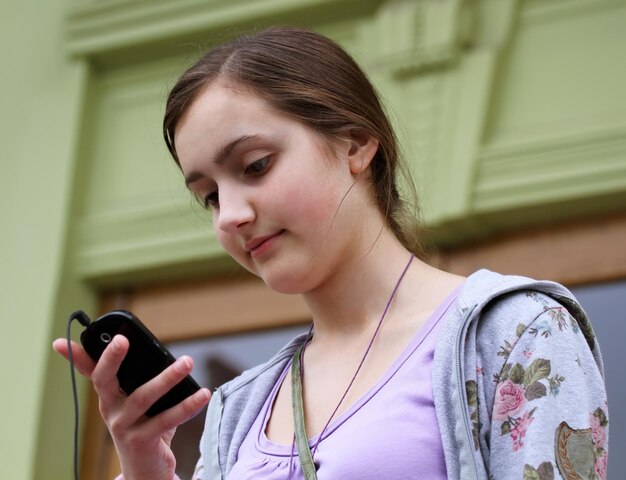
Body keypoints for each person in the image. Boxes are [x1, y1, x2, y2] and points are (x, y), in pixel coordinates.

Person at [53, 26, 608, 480]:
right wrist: (145, 466)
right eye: (210, 197)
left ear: (355, 143)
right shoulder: (237, 410)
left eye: (255, 166)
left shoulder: (517, 331)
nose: (230, 215)